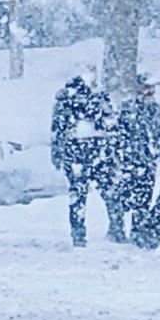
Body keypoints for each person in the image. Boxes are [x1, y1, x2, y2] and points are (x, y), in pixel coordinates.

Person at [105, 75, 160, 246]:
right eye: (147, 87)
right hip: (128, 161)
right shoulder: (126, 108)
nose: (150, 92)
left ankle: (138, 232)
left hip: (147, 161)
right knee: (119, 197)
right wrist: (118, 157)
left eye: (152, 88)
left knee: (144, 199)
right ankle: (116, 229)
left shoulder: (155, 109)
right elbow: (117, 136)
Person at [50, 70, 110, 246]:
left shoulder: (64, 102)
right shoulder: (97, 101)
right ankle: (116, 227)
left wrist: (58, 153)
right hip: (94, 151)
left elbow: (57, 130)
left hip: (76, 152)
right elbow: (110, 124)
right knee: (107, 192)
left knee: (78, 197)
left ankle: (78, 234)